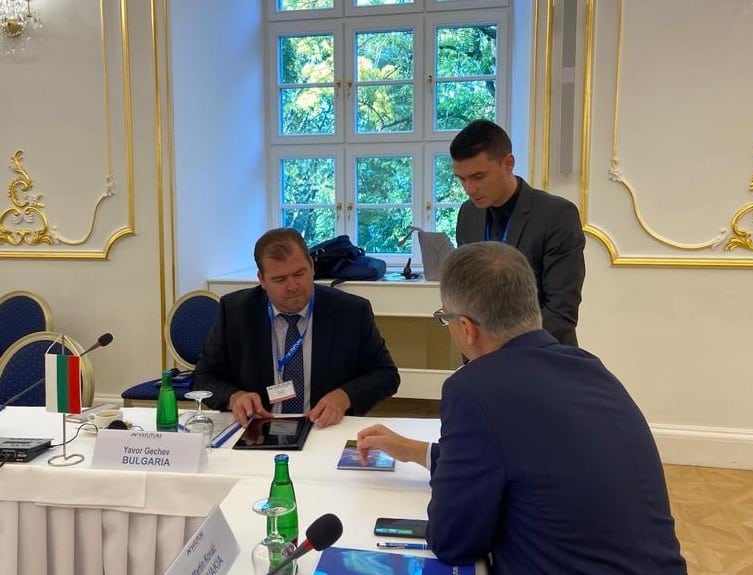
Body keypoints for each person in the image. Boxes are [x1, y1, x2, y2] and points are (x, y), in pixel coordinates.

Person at [357, 242, 686, 574]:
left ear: (467, 328)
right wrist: (417, 452)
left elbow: (453, 541)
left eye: (445, 319)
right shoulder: (589, 367)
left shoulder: (473, 388)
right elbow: (527, 460)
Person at [193, 228, 400, 428]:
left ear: (312, 266)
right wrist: (235, 397)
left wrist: (344, 396)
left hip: (324, 427)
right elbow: (203, 377)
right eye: (280, 279)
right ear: (262, 279)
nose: (292, 287)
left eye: (299, 274)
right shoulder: (235, 312)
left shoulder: (351, 311)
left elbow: (386, 375)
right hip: (258, 427)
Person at [452, 119, 585, 346]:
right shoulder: (468, 214)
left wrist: (505, 354)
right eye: (462, 179)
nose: (469, 189)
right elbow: (467, 295)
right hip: (483, 355)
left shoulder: (557, 214)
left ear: (508, 163)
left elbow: (561, 311)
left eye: (478, 177)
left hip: (544, 355)